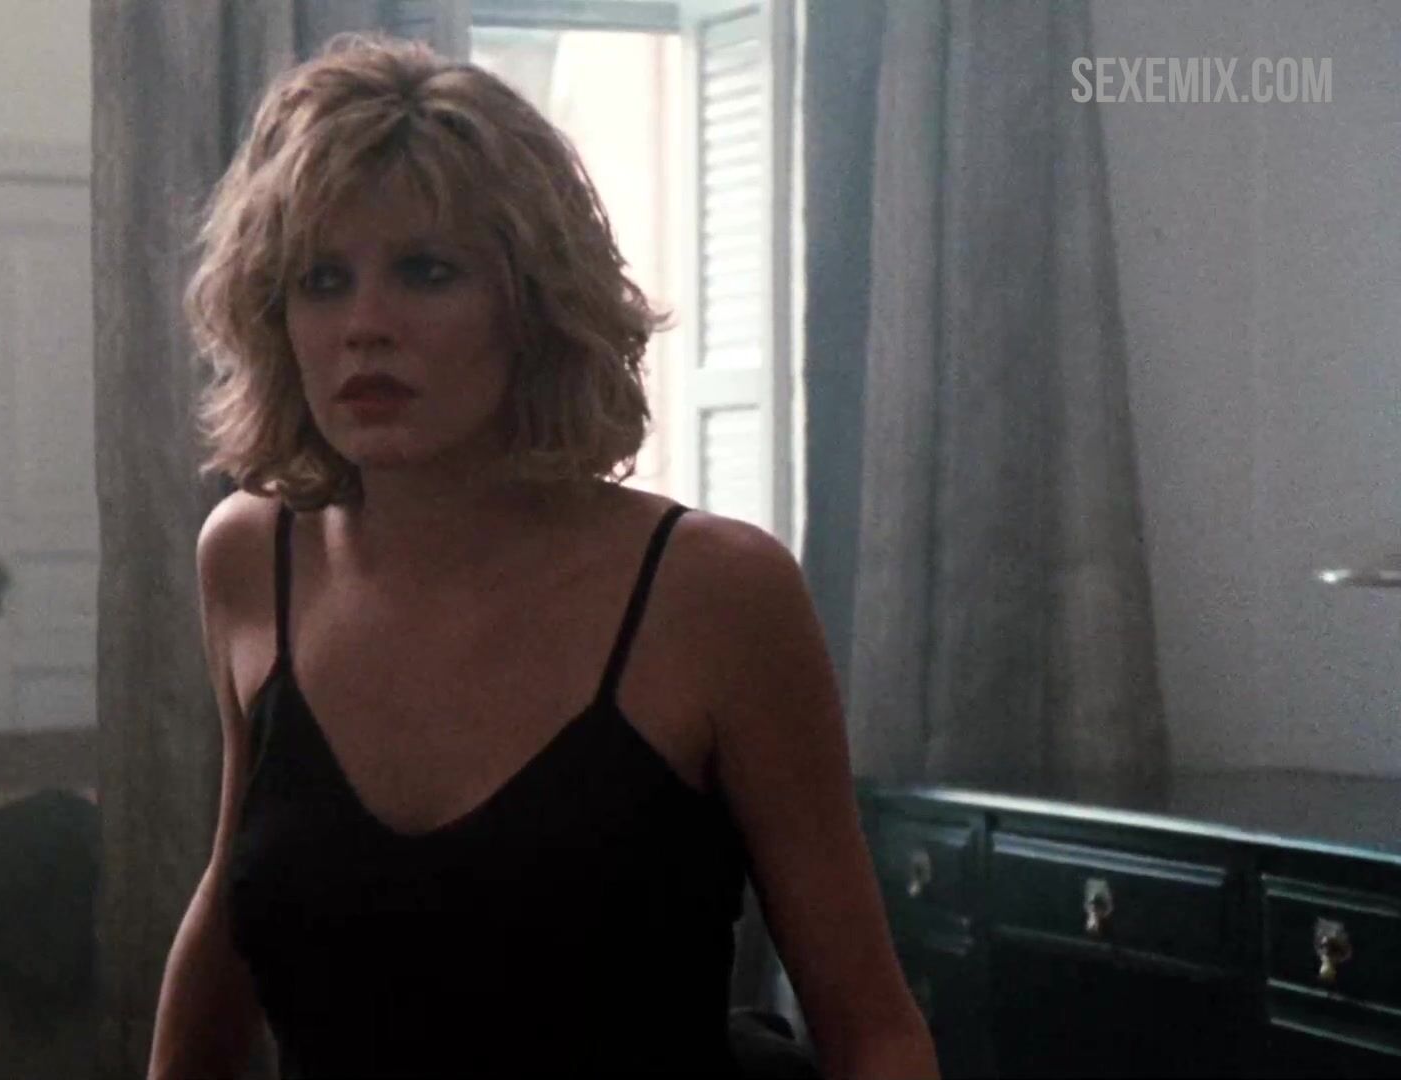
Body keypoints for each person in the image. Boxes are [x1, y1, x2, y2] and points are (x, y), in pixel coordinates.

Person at [149, 31, 937, 1080]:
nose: (365, 325)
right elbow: (232, 906)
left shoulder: (714, 595)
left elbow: (872, 1029)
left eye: (426, 271)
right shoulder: (253, 560)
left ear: (532, 308)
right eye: (322, 280)